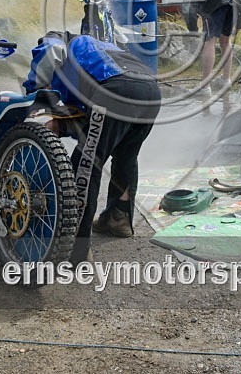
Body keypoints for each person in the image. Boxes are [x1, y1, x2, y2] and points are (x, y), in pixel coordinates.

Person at [23, 31, 161, 264]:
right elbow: (91, 120)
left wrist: (28, 94)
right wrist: (59, 124)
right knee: (125, 156)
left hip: (115, 91)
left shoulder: (58, 40)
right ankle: (118, 219)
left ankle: (76, 248)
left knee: (86, 163)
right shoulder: (101, 48)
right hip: (149, 92)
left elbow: (49, 56)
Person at [181, 0, 241, 93]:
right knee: (225, 41)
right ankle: (226, 80)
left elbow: (189, 12)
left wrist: (193, 31)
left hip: (216, 1)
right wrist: (239, 25)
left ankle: (205, 88)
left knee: (209, 41)